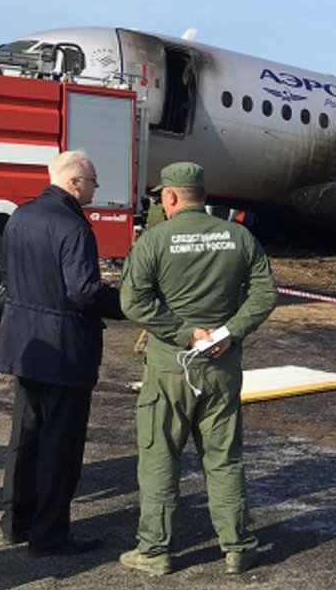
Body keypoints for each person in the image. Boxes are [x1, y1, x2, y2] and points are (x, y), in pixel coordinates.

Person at [118, 162, 277, 576]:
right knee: (223, 458)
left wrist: (186, 334)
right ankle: (238, 546)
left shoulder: (154, 241)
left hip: (171, 369)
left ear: (171, 196)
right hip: (222, 366)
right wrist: (230, 332)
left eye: (161, 198)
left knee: (160, 457)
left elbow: (133, 303)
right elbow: (264, 294)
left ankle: (154, 551)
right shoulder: (239, 237)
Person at [0, 150, 124, 556]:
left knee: (25, 435)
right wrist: (125, 303)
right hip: (64, 350)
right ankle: (50, 533)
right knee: (60, 445)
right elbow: (83, 292)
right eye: (93, 181)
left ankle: (17, 521)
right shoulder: (74, 227)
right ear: (73, 182)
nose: (96, 188)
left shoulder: (20, 217)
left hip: (24, 344)